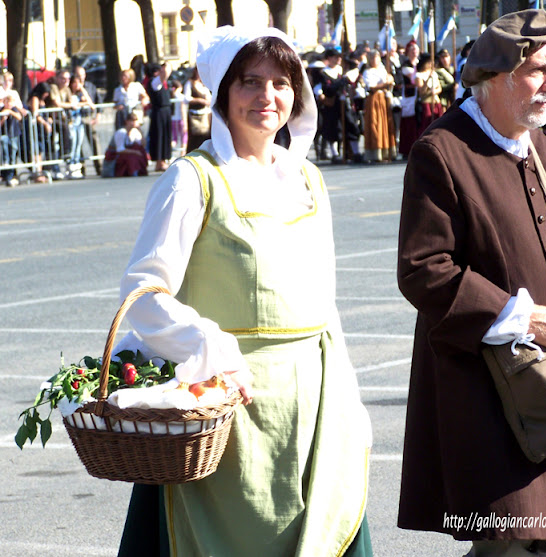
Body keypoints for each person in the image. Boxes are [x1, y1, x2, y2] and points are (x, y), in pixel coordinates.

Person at [116, 25, 372, 557]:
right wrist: (211, 349)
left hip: (313, 406)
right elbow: (143, 293)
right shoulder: (192, 180)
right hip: (230, 409)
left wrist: (346, 395)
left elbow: (325, 301)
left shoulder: (309, 180)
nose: (268, 96)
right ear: (224, 94)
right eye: (250, 82)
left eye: (282, 83)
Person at [397, 10, 546, 557]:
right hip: (487, 384)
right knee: (509, 540)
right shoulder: (443, 150)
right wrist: (522, 318)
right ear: (494, 78)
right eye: (538, 70)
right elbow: (423, 269)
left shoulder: (539, 142)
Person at [362, 49, 396, 162]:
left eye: (376, 57)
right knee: (375, 124)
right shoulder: (367, 72)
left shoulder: (382, 70)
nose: (374, 60)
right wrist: (384, 84)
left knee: (386, 124)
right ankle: (375, 152)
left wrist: (390, 80)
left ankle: (387, 151)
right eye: (372, 58)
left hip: (383, 99)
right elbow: (371, 87)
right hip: (374, 99)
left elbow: (390, 82)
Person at [74, 65, 102, 176]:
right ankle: (81, 168)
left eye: (82, 75)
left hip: (88, 117)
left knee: (94, 141)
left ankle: (99, 166)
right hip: (77, 117)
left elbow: (97, 101)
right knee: (78, 143)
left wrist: (98, 115)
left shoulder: (90, 86)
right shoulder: (73, 86)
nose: (81, 78)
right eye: (78, 76)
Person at [104, 111, 148, 177]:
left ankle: (139, 170)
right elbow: (120, 149)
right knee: (132, 156)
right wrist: (135, 152)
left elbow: (143, 145)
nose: (133, 123)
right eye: (131, 121)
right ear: (127, 121)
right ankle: (133, 171)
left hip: (126, 154)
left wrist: (141, 132)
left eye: (135, 121)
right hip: (116, 157)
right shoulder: (121, 132)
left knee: (140, 150)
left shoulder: (135, 132)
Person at [398, 40, 420, 159]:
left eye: (416, 49)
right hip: (410, 96)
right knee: (409, 123)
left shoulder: (419, 63)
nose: (414, 52)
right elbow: (413, 78)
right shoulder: (406, 65)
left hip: (419, 95)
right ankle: (407, 148)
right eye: (412, 50)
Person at [184, 66, 212, 153]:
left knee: (205, 138)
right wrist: (199, 101)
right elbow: (186, 98)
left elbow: (209, 98)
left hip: (205, 115)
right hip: (194, 116)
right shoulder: (190, 83)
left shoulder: (204, 85)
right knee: (194, 139)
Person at [415, 53, 443, 135]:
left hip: (436, 102)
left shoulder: (434, 73)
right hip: (426, 103)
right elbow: (422, 91)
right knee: (426, 124)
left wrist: (435, 91)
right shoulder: (419, 76)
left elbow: (439, 88)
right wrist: (427, 80)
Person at [0, 93, 23, 187]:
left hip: (14, 134)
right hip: (5, 134)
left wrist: (10, 112)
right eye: (7, 102)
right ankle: (6, 166)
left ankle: (11, 175)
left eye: (10, 102)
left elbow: (19, 117)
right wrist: (3, 118)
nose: (8, 104)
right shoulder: (2, 111)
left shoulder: (14, 109)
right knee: (4, 145)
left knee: (13, 151)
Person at [169, 80, 187, 157]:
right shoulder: (181, 97)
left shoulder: (171, 96)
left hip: (173, 119)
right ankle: (183, 153)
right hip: (180, 119)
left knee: (174, 138)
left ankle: (170, 152)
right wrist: (185, 121)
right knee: (184, 136)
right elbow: (183, 110)